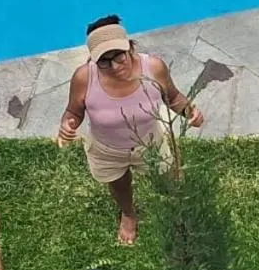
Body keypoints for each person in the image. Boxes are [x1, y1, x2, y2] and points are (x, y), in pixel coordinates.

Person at [56, 15, 206, 245]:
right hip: (107, 148)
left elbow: (173, 96)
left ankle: (174, 212)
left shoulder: (154, 67)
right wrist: (68, 123)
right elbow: (74, 112)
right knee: (118, 183)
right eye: (104, 61)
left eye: (118, 56)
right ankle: (128, 214)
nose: (114, 66)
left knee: (168, 179)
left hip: (150, 141)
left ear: (130, 47)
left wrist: (189, 112)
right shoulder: (84, 77)